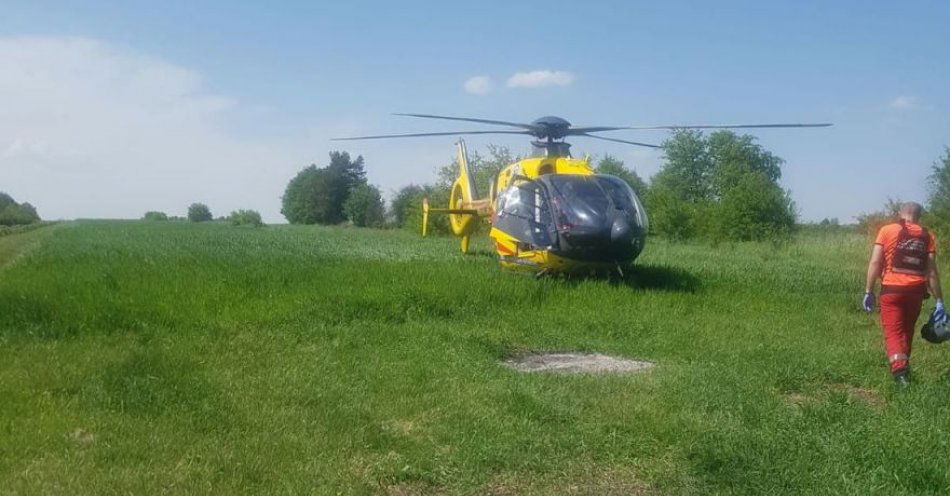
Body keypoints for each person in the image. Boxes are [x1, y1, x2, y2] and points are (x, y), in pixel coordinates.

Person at [863, 202, 946, 387]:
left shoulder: (887, 230)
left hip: (891, 291)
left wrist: (868, 291)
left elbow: (875, 262)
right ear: (918, 216)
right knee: (906, 331)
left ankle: (900, 375)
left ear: (900, 214)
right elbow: (931, 272)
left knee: (893, 332)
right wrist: (939, 300)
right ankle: (904, 368)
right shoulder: (927, 236)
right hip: (916, 293)